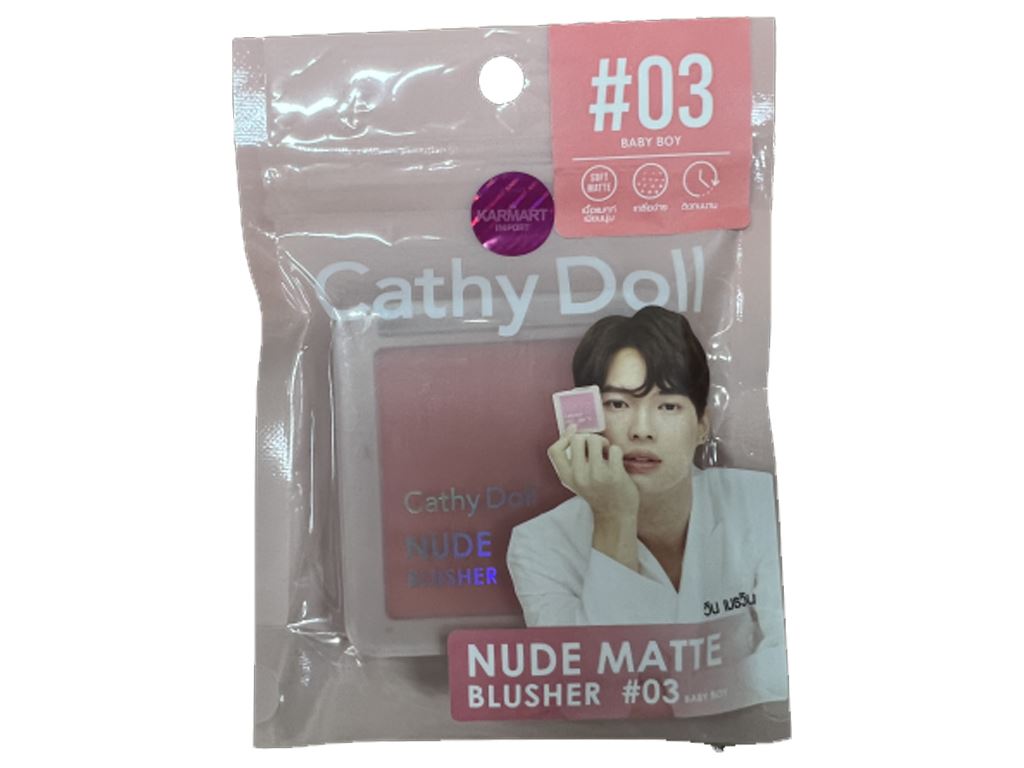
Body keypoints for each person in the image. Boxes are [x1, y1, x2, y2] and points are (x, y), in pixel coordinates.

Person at [506, 306, 787, 703]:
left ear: (702, 425)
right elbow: (589, 690)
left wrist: (679, 694)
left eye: (668, 406)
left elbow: (791, 663)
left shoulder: (760, 502)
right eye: (618, 405)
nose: (641, 430)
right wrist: (613, 517)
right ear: (582, 419)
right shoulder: (537, 544)